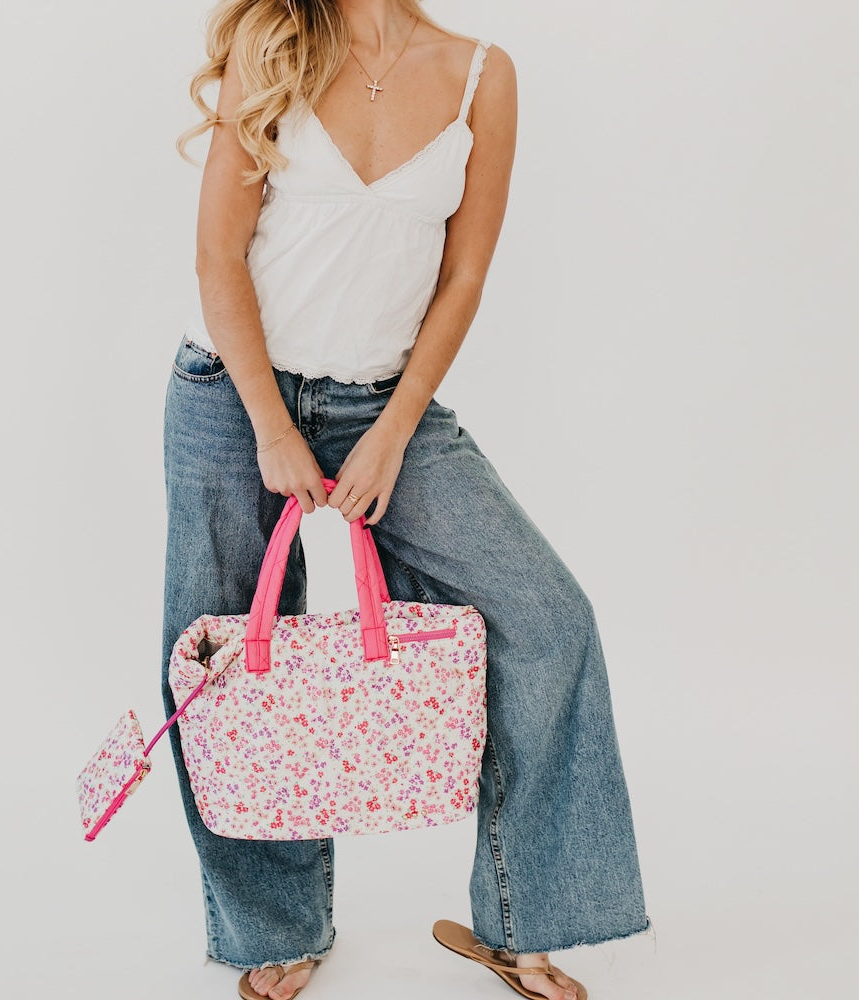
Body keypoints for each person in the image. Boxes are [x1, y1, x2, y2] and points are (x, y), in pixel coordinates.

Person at [160, 2, 650, 998]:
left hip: (387, 404)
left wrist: (388, 430)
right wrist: (271, 425)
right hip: (232, 392)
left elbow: (464, 275)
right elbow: (217, 257)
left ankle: (521, 921)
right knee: (224, 665)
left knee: (548, 619)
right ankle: (274, 929)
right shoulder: (278, 43)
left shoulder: (481, 73)